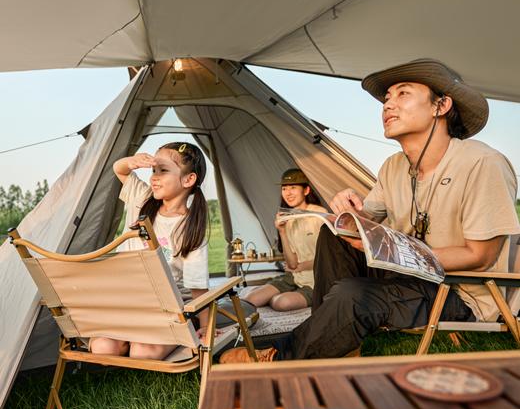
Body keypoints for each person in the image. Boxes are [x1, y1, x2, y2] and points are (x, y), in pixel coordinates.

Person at [221, 58, 520, 363]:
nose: (388, 105)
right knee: (333, 234)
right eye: (387, 98)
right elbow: (364, 222)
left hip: (459, 291)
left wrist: (405, 255)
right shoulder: (394, 167)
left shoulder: (482, 163)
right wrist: (349, 211)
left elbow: (480, 255)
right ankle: (335, 339)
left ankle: (281, 358)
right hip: (412, 275)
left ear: (440, 106)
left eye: (403, 94)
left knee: (354, 294)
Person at [90, 142, 210, 359]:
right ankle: (129, 338)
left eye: (163, 171)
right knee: (102, 349)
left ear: (188, 179)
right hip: (126, 303)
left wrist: (206, 327)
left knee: (141, 352)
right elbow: (119, 169)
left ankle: (139, 340)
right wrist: (131, 162)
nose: (154, 177)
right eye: (153, 170)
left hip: (164, 309)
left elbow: (197, 286)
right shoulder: (142, 199)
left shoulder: (191, 228)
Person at [243, 168, 326, 311]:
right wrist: (282, 231)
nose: (288, 193)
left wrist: (302, 266)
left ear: (306, 190)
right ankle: (277, 292)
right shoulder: (287, 218)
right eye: (284, 188)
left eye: (293, 187)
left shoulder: (320, 215)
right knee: (251, 300)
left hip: (315, 280)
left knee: (280, 303)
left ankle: (289, 296)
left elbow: (329, 257)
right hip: (293, 277)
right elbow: (292, 264)